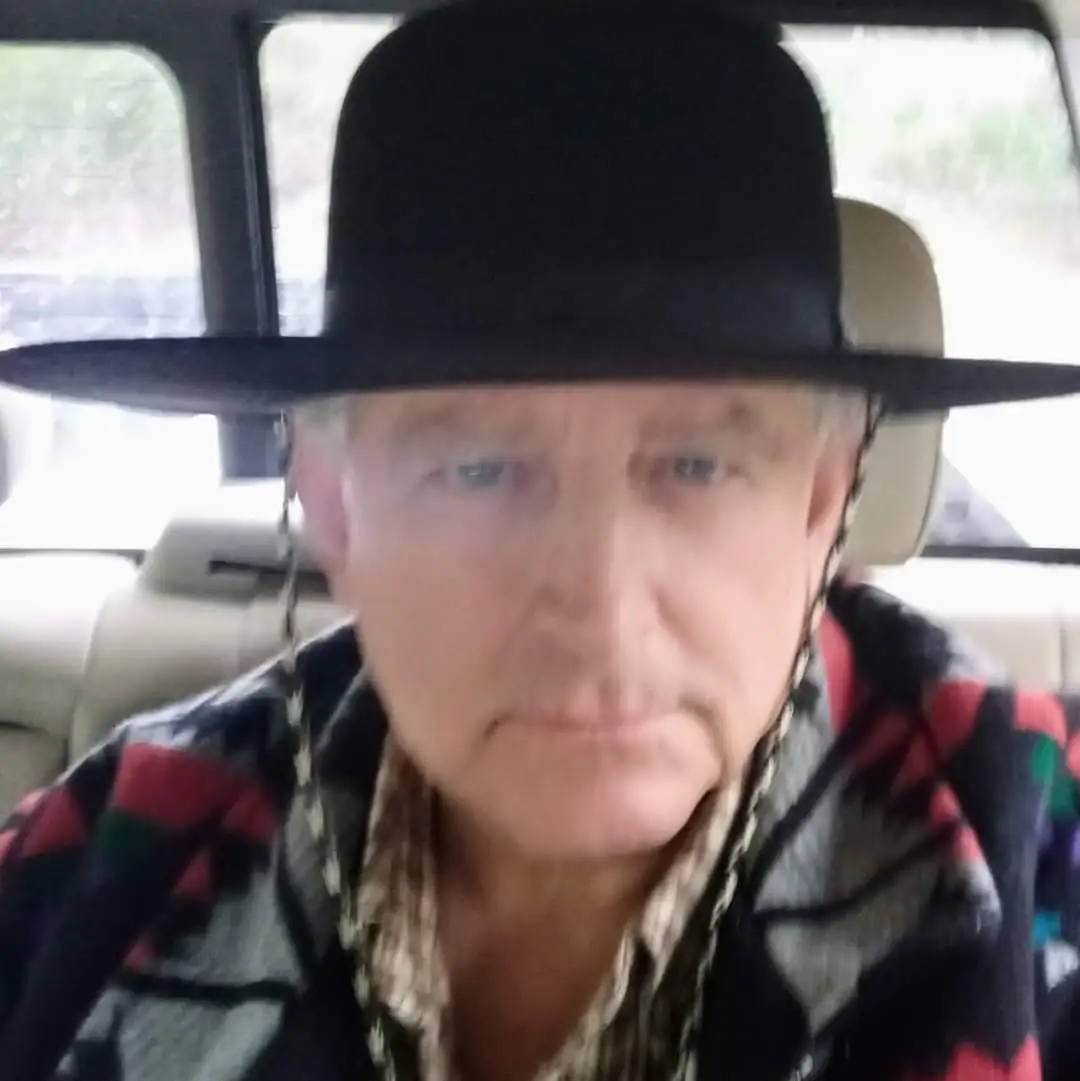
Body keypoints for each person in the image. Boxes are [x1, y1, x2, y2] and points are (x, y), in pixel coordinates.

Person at [2, 3, 1080, 1081]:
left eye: (697, 466)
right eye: (478, 470)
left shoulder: (1039, 846)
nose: (600, 604)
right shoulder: (100, 866)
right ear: (333, 507)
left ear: (820, 504)